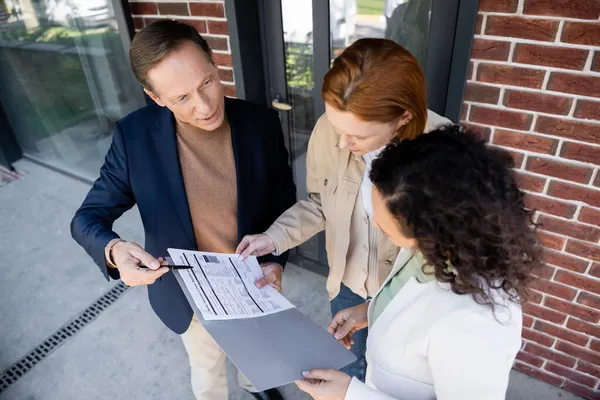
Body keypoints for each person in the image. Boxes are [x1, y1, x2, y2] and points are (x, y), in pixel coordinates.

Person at [70, 20, 295, 400]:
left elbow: (282, 202)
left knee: (258, 359)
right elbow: (86, 218)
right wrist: (114, 250)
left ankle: (257, 388)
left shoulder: (261, 123)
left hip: (253, 280)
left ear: (213, 62)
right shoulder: (133, 137)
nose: (205, 107)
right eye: (181, 98)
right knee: (208, 376)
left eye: (207, 82)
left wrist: (277, 259)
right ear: (155, 97)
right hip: (189, 293)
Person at [236, 38, 449, 382]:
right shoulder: (330, 129)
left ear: (402, 118)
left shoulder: (447, 153)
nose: (340, 143)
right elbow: (321, 203)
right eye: (337, 128)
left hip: (408, 298)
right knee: (348, 371)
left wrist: (374, 309)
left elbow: (447, 260)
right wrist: (273, 238)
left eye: (356, 137)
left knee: (393, 379)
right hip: (346, 284)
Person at [296, 125, 542, 400]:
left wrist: (350, 395)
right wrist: (370, 311)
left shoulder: (476, 323)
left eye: (385, 225)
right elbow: (416, 306)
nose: (375, 224)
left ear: (431, 227)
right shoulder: (432, 248)